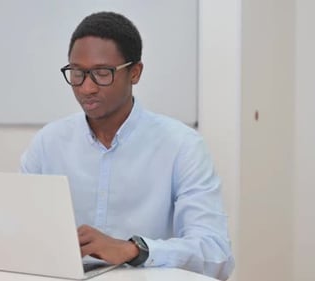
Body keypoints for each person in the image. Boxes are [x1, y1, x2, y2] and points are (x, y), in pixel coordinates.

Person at [20, 11, 234, 280]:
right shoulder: (47, 143)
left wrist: (134, 250)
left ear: (135, 72)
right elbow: (24, 233)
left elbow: (217, 256)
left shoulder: (181, 146)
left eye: (101, 73)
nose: (86, 88)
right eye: (77, 73)